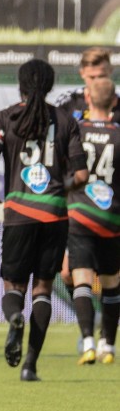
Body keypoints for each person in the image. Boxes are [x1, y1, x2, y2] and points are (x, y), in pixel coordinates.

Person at [0, 58, 88, 381]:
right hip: (54, 214)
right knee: (43, 289)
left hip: (19, 215)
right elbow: (81, 174)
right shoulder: (66, 120)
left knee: (14, 286)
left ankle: (15, 318)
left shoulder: (5, 117)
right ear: (51, 85)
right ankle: (30, 366)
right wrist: (61, 188)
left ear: (20, 84)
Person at [54, 48, 119, 314]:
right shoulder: (67, 104)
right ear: (82, 74)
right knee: (67, 273)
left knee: (110, 277)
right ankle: (90, 321)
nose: (96, 81)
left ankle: (103, 330)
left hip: (112, 206)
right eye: (91, 76)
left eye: (101, 75)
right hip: (75, 203)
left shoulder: (116, 104)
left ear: (111, 73)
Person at [65, 78, 120, 365]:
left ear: (87, 99)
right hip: (112, 218)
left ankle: (87, 341)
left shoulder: (77, 131)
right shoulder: (118, 134)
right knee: (111, 283)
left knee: (82, 279)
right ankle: (108, 346)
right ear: (114, 102)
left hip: (80, 215)